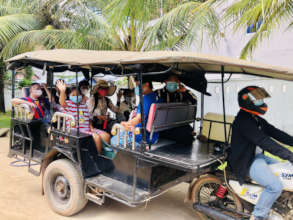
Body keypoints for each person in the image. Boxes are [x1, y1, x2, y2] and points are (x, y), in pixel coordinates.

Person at [228, 86, 293, 220]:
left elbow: (275, 132)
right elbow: (265, 142)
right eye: (258, 100)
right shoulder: (244, 121)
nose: (261, 101)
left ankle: (277, 205)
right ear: (247, 101)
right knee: (275, 186)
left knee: (288, 170)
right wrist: (290, 155)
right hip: (246, 161)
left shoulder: (255, 118)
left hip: (258, 157)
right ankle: (258, 216)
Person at [56, 80, 108, 155]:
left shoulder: (84, 106)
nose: (76, 97)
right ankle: (97, 158)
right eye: (73, 95)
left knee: (106, 136)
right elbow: (62, 102)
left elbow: (88, 119)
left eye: (78, 95)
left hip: (87, 129)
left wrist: (92, 128)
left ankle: (104, 154)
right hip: (74, 131)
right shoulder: (68, 104)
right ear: (69, 96)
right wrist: (62, 91)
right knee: (96, 137)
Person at [111, 79, 160, 148]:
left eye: (138, 85)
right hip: (154, 135)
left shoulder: (145, 99)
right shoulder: (157, 97)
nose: (137, 88)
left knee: (113, 140)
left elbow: (139, 119)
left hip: (141, 136)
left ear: (146, 84)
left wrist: (126, 124)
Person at [155, 73, 197, 144]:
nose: (173, 83)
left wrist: (185, 91)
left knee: (188, 135)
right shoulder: (158, 93)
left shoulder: (181, 93)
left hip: (178, 123)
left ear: (178, 83)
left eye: (176, 82)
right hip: (163, 126)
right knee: (185, 136)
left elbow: (194, 100)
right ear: (165, 82)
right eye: (171, 81)